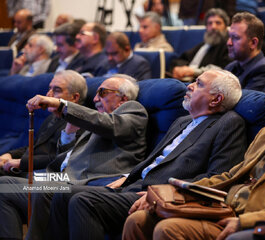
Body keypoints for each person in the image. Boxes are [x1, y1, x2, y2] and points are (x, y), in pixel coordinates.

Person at [123, 72, 265, 240]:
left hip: (249, 220)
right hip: (220, 207)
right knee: (139, 220)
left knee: (167, 229)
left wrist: (244, 222)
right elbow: (230, 175)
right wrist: (173, 191)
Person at [42, 69, 247, 240]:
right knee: (56, 194)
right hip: (132, 183)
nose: (189, 85)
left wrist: (163, 193)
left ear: (216, 99)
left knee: (80, 200)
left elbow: (217, 177)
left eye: (199, 84)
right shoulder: (182, 122)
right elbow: (155, 161)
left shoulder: (228, 123)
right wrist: (125, 178)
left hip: (159, 193)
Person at [0, 74, 148, 240]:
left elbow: (110, 125)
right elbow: (67, 156)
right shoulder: (99, 119)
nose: (95, 98)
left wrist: (62, 105)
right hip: (63, 176)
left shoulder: (133, 111)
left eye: (102, 92)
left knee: (45, 189)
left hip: (91, 182)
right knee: (4, 186)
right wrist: (68, 135)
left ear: (123, 99)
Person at [0, 70, 87, 176]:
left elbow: (60, 158)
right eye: (50, 88)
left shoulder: (79, 122)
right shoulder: (53, 117)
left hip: (43, 175)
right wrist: (10, 154)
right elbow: (35, 147)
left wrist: (22, 163)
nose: (48, 95)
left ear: (74, 97)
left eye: (56, 90)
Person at [170, 8, 232, 82]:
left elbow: (224, 70)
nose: (213, 27)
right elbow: (183, 58)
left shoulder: (229, 46)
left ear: (225, 27)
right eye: (210, 23)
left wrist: (193, 71)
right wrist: (179, 68)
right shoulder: (203, 45)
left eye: (218, 23)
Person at [225, 12, 265, 91]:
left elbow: (243, 103)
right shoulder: (231, 66)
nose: (229, 43)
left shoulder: (263, 71)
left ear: (253, 43)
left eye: (235, 37)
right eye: (229, 36)